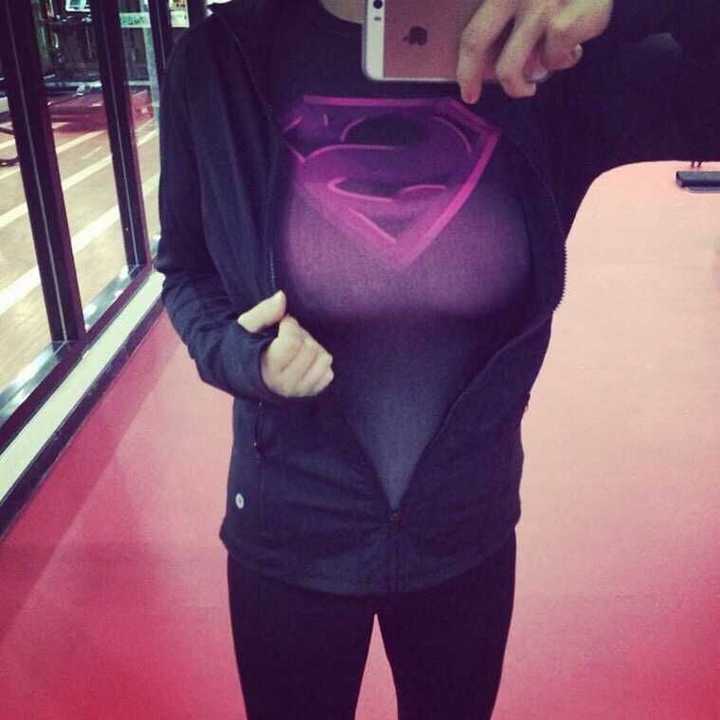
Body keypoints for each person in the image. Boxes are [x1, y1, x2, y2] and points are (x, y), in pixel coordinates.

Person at [153, 1, 719, 717]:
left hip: (463, 528)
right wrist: (244, 358)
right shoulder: (223, 60)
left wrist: (623, 5)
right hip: (292, 524)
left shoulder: (548, 64)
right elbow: (186, 269)